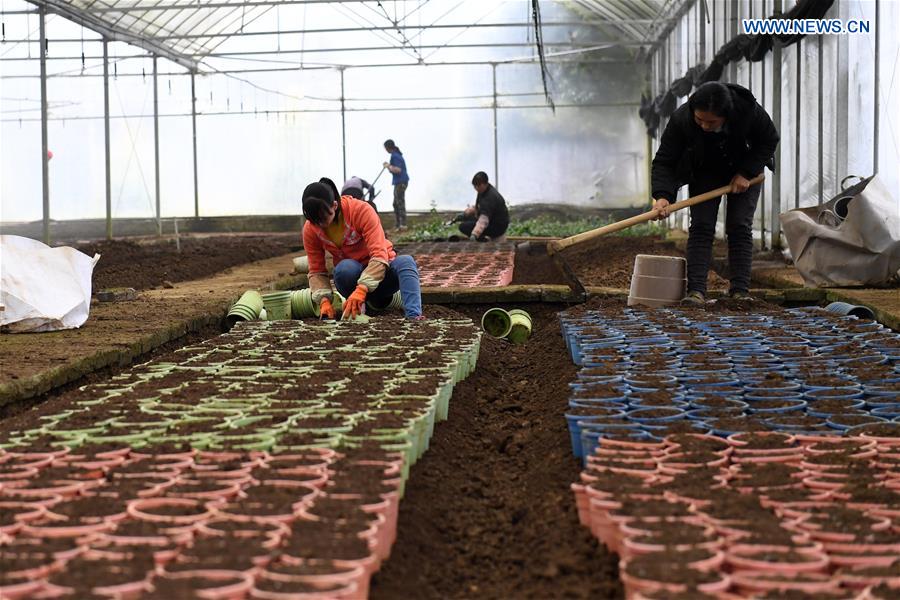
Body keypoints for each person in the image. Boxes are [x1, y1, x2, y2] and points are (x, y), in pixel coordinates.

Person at [651, 81, 779, 305]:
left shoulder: (748, 111)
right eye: (699, 120)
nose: (704, 126)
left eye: (711, 122)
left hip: (745, 167)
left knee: (739, 225)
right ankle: (696, 292)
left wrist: (746, 173)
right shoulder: (682, 119)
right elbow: (665, 161)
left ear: (726, 115)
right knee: (701, 226)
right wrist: (662, 195)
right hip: (705, 170)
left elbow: (769, 140)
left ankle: (740, 291)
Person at [301, 180, 424, 320]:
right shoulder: (311, 229)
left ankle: (414, 317)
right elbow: (316, 269)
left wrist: (362, 289)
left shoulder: (360, 211)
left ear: (334, 206)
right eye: (314, 221)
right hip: (351, 279)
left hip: (383, 278)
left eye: (323, 219)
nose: (320, 225)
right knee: (344, 268)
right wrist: (323, 300)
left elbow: (379, 255)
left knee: (406, 262)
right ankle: (358, 309)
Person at [459, 171, 510, 242]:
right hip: (492, 220)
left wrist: (475, 234)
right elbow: (480, 207)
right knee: (467, 219)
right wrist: (467, 212)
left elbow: (484, 219)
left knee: (463, 227)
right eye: (475, 186)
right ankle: (482, 238)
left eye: (478, 185)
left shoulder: (490, 197)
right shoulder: (484, 190)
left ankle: (483, 241)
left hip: (497, 227)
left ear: (485, 183)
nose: (476, 188)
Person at [383, 139, 409, 231]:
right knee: (396, 203)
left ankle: (403, 224)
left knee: (399, 202)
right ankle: (398, 224)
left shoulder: (395, 156)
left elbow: (398, 170)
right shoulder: (396, 155)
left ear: (388, 147)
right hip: (399, 182)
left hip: (400, 182)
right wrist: (389, 167)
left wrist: (388, 166)